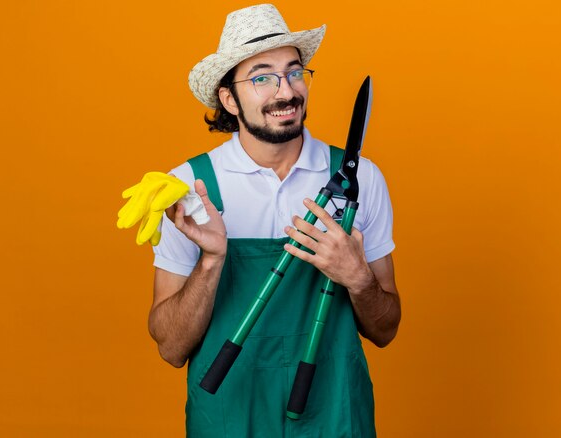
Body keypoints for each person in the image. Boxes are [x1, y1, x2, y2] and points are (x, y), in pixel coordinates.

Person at [148, 4, 401, 437]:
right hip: (228, 412)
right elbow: (171, 348)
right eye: (261, 77)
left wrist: (357, 278)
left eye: (294, 72)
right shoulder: (190, 186)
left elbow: (386, 330)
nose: (285, 91)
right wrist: (211, 261)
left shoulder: (360, 179)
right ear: (228, 98)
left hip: (333, 411)